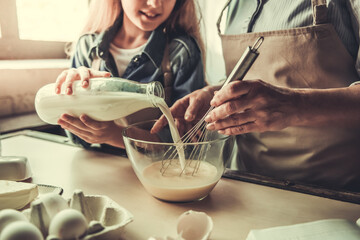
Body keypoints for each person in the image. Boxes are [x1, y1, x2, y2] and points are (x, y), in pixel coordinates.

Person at [152, 0, 360, 191]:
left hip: (332, 194)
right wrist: (215, 94)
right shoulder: (235, 5)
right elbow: (259, 74)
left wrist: (296, 105)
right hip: (246, 184)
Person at [54, 0, 205, 149]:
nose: (155, 4)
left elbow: (186, 140)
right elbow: (77, 138)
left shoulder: (182, 52)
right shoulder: (87, 47)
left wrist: (114, 135)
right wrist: (71, 94)